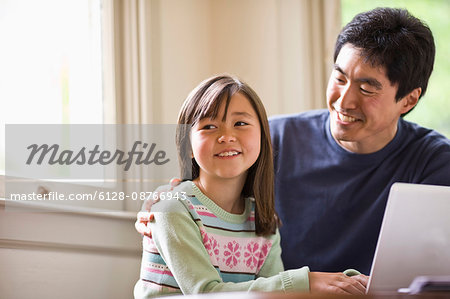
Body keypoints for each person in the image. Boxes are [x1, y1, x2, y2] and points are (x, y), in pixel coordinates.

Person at [136, 7, 450, 275]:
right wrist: (160, 205)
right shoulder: (271, 139)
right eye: (339, 78)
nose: (344, 100)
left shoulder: (434, 163)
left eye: (367, 89)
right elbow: (200, 198)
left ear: (408, 100)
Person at [134, 75, 368, 298]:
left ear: (262, 138)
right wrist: (308, 282)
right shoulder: (173, 209)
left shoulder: (263, 220)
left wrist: (344, 285)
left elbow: (274, 294)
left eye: (240, 123)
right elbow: (206, 294)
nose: (226, 136)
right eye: (209, 126)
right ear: (188, 146)